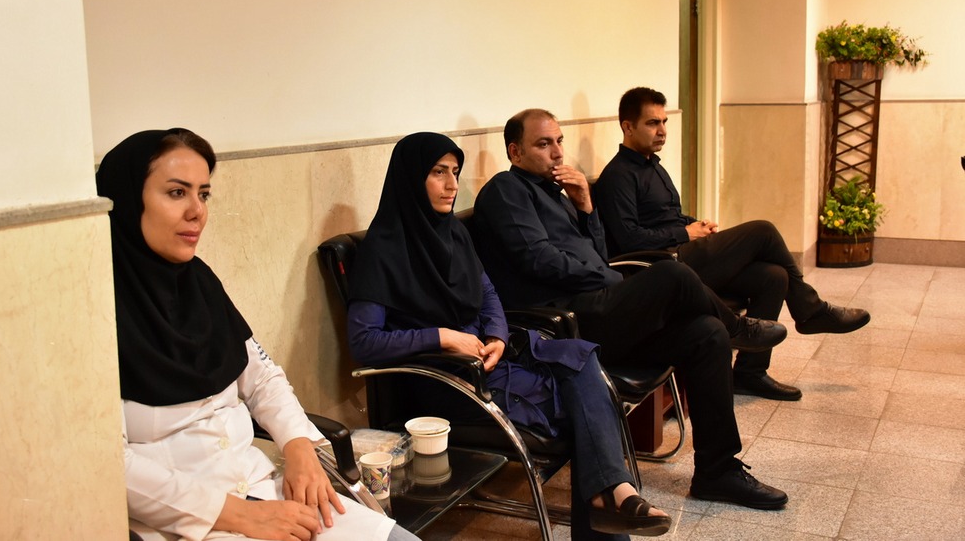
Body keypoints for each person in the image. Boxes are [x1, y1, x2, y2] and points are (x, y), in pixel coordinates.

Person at [97, 128, 419, 541]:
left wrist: (298, 445)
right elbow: (110, 464)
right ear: (126, 198)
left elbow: (262, 377)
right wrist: (237, 515)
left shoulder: (199, 284)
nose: (197, 212)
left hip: (262, 489)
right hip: (186, 523)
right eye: (177, 193)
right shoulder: (95, 316)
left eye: (204, 194)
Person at [346, 132, 673, 539]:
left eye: (455, 172)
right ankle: (614, 498)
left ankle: (614, 495)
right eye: (438, 173)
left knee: (581, 359)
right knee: (585, 412)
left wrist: (498, 336)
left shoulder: (453, 233)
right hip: (446, 380)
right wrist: (443, 337)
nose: (452, 184)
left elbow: (488, 295)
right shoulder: (383, 250)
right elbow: (364, 342)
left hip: (489, 360)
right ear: (411, 178)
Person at [470, 109, 789, 511]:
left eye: (559, 141)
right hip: (562, 324)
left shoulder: (559, 192)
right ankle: (740, 330)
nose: (557, 152)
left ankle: (717, 471)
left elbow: (600, 255)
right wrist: (609, 278)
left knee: (707, 333)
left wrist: (586, 207)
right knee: (672, 273)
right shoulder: (505, 191)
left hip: (597, 308)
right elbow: (539, 259)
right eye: (543, 143)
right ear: (515, 152)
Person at [594, 87, 871, 402]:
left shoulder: (653, 167)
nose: (662, 130)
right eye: (652, 123)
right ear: (628, 127)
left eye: (664, 122)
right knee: (763, 231)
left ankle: (750, 373)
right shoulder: (618, 176)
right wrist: (685, 233)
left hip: (684, 254)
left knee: (773, 277)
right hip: (663, 268)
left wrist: (696, 224)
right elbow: (628, 238)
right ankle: (810, 309)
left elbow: (667, 217)